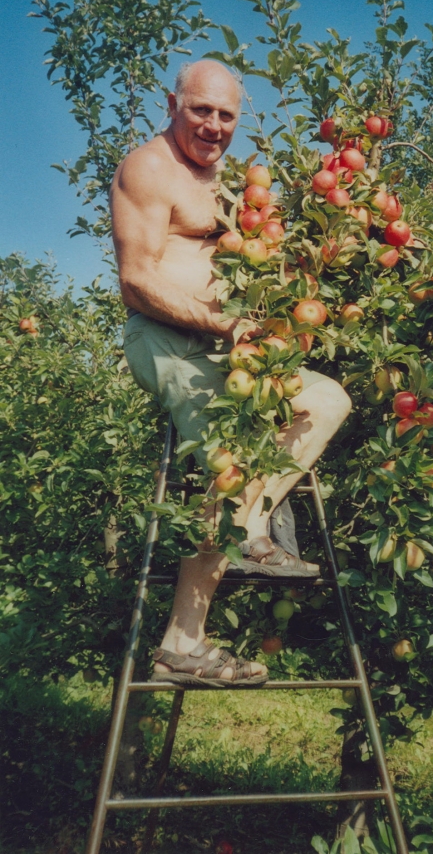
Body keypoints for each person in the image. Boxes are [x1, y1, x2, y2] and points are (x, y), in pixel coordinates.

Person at [110, 60, 351, 687]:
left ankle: (249, 526)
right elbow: (136, 280)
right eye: (201, 110)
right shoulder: (148, 168)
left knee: (328, 400)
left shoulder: (232, 183)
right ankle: (183, 641)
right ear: (173, 105)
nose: (213, 125)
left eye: (226, 115)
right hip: (169, 339)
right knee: (235, 456)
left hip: (229, 348)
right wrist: (224, 324)